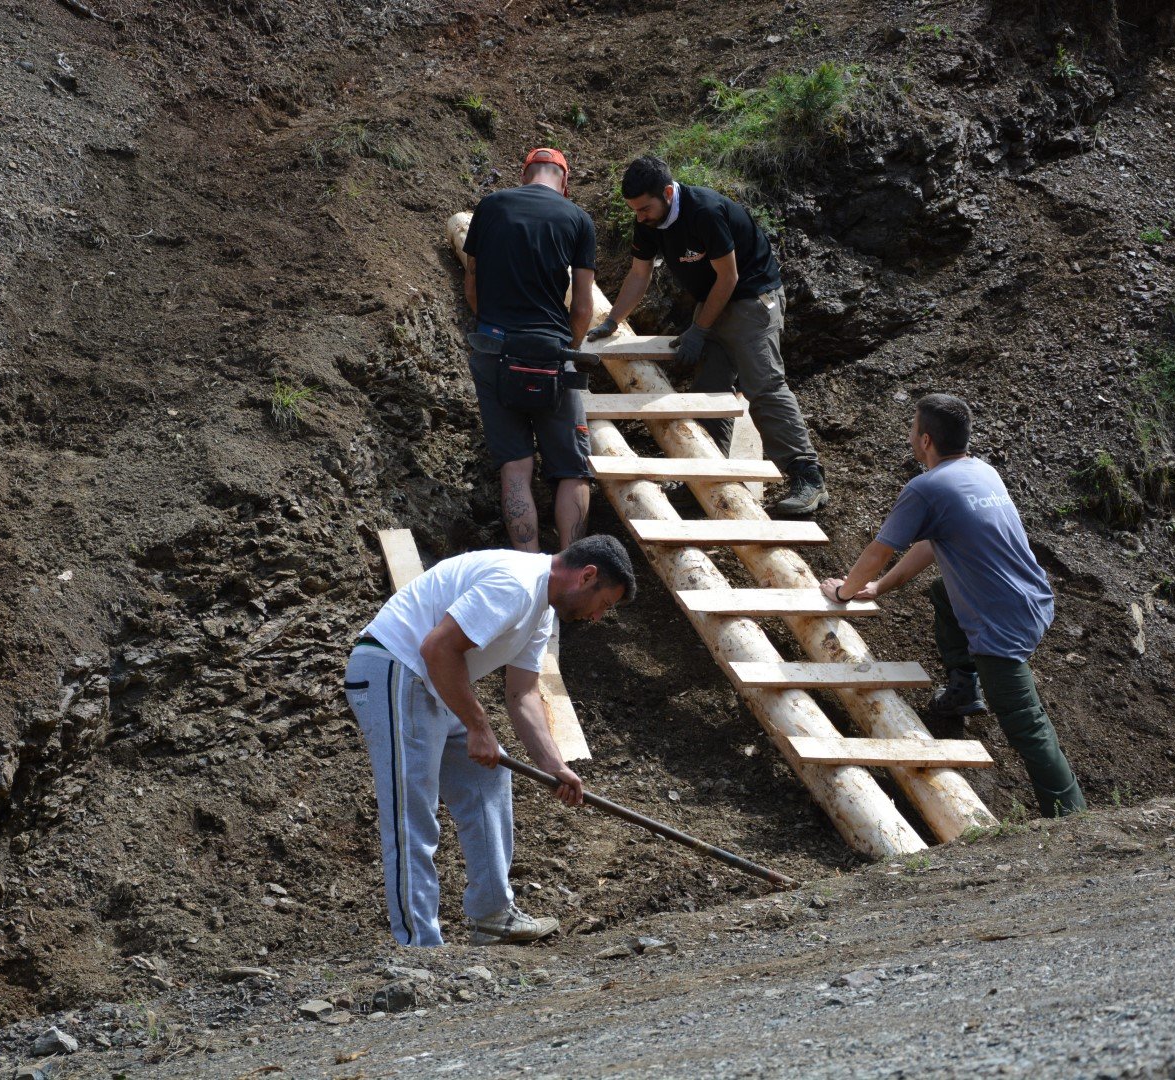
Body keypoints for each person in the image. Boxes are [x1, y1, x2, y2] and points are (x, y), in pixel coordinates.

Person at [344, 535, 637, 946]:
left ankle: (492, 914)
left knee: (490, 779)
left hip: (428, 681)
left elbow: (523, 694)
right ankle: (419, 947)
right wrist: (479, 727)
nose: (597, 617)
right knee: (413, 810)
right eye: (604, 604)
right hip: (393, 669)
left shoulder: (540, 611)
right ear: (587, 576)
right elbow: (437, 647)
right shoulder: (516, 584)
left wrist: (554, 766)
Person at [820, 394, 1085, 818]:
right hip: (1033, 596)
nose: (909, 437)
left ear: (925, 440)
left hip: (1001, 623)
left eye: (911, 430)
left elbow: (878, 551)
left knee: (1025, 725)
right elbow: (929, 544)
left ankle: (1071, 816)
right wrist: (880, 588)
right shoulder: (980, 472)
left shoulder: (925, 488)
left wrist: (844, 592)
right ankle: (963, 689)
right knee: (944, 593)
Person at [588, 155, 827, 517]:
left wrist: (700, 329)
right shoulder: (648, 222)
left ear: (668, 192)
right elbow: (640, 275)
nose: (640, 217)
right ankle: (704, 477)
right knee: (708, 391)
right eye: (634, 210)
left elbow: (728, 278)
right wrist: (614, 319)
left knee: (763, 385)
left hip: (752, 298)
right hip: (712, 300)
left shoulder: (705, 211)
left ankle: (807, 477)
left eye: (645, 208)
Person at [463, 147, 596, 551]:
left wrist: (496, 331)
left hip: (493, 347)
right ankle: (571, 568)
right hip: (551, 351)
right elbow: (583, 307)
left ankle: (529, 571)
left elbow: (472, 285)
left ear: (525, 176)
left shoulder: (490, 206)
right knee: (572, 469)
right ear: (564, 182)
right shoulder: (578, 219)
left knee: (515, 466)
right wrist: (563, 348)